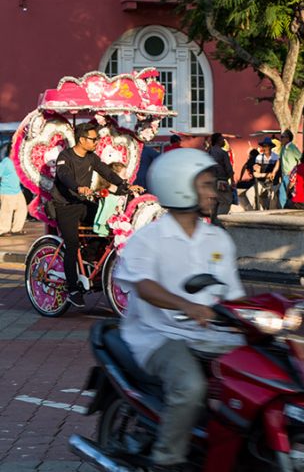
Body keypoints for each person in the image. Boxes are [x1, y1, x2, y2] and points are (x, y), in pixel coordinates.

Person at [115, 148, 246, 472]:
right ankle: (166, 459)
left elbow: (233, 295)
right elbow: (143, 285)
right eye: (205, 184)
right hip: (158, 335)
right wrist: (186, 305)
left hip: (210, 336)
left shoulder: (217, 239)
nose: (213, 193)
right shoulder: (150, 238)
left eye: (213, 185)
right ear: (178, 186)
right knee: (190, 387)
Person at [53, 123, 141, 307]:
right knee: (72, 244)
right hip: (65, 206)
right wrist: (77, 187)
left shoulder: (92, 158)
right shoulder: (65, 157)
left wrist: (125, 186)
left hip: (83, 204)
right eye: (93, 139)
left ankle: (89, 260)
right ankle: (73, 290)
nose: (96, 142)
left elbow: (107, 171)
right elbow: (64, 175)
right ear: (82, 140)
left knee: (104, 226)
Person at [207, 133, 234, 223]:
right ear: (218, 140)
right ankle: (219, 224)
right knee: (225, 202)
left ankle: (213, 225)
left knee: (214, 204)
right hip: (221, 181)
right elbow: (229, 169)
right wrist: (232, 180)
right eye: (222, 139)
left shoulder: (208, 153)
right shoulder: (223, 153)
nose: (224, 141)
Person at [0, 151, 27, 237]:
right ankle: (3, 230)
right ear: (10, 151)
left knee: (22, 209)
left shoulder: (17, 162)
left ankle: (16, 229)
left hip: (17, 191)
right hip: (7, 191)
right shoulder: (5, 162)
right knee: (6, 212)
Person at [275, 129, 301, 209]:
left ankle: (290, 209)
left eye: (282, 137)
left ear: (288, 138)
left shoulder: (293, 148)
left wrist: (294, 172)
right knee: (282, 192)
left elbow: (300, 160)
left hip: (290, 175)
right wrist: (274, 171)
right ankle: (282, 209)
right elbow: (279, 160)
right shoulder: (282, 148)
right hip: (283, 174)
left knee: (289, 193)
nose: (281, 138)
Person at [253, 137, 280, 210]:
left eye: (266, 146)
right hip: (262, 182)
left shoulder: (276, 157)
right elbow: (256, 173)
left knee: (273, 198)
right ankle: (260, 211)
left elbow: (278, 171)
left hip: (274, 183)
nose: (264, 148)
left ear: (270, 147)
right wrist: (264, 175)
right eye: (263, 146)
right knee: (250, 194)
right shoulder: (259, 157)